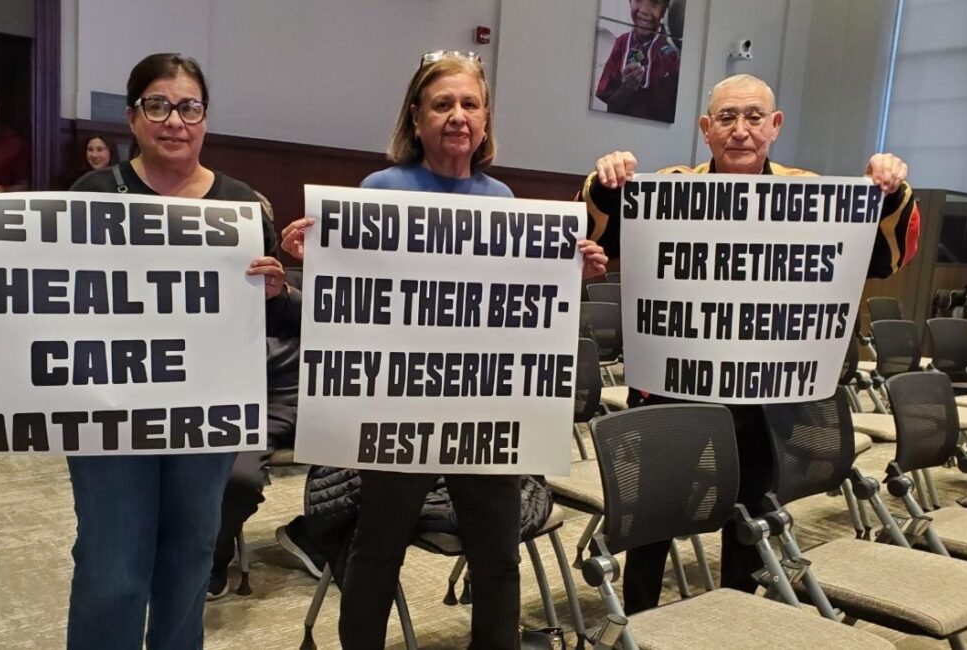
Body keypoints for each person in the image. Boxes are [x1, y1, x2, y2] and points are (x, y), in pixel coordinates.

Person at [0, 53, 292, 650]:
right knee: (113, 567)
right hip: (109, 416)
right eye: (158, 104)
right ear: (132, 117)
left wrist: (275, 289)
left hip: (206, 421)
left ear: (205, 118)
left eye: (189, 107)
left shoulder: (242, 208)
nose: (175, 119)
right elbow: (37, 291)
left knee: (190, 559)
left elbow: (267, 319)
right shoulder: (93, 193)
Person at [280, 49, 609, 650]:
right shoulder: (382, 189)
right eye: (442, 104)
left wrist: (571, 274)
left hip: (484, 408)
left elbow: (519, 308)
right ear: (416, 115)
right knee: (376, 552)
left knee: (497, 558)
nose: (457, 116)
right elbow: (361, 293)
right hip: (401, 405)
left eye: (470, 104)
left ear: (485, 119)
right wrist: (318, 258)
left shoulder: (504, 199)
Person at [580, 73, 920, 613]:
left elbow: (885, 261)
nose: (740, 130)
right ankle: (638, 625)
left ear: (775, 125)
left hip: (766, 397)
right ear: (705, 129)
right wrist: (606, 180)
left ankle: (740, 618)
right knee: (654, 521)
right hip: (676, 390)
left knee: (751, 522)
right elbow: (596, 240)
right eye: (726, 118)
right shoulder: (669, 188)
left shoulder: (808, 193)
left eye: (754, 117)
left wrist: (889, 190)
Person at [207, 193, 304, 600]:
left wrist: (282, 292)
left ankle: (316, 537)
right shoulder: (195, 280)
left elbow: (338, 318)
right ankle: (201, 550)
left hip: (284, 405)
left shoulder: (286, 282)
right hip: (216, 402)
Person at [595, 0, 680, 122]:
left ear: (664, 11)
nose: (644, 10)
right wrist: (626, 88)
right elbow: (611, 108)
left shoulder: (673, 55)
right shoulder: (621, 44)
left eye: (655, 2)